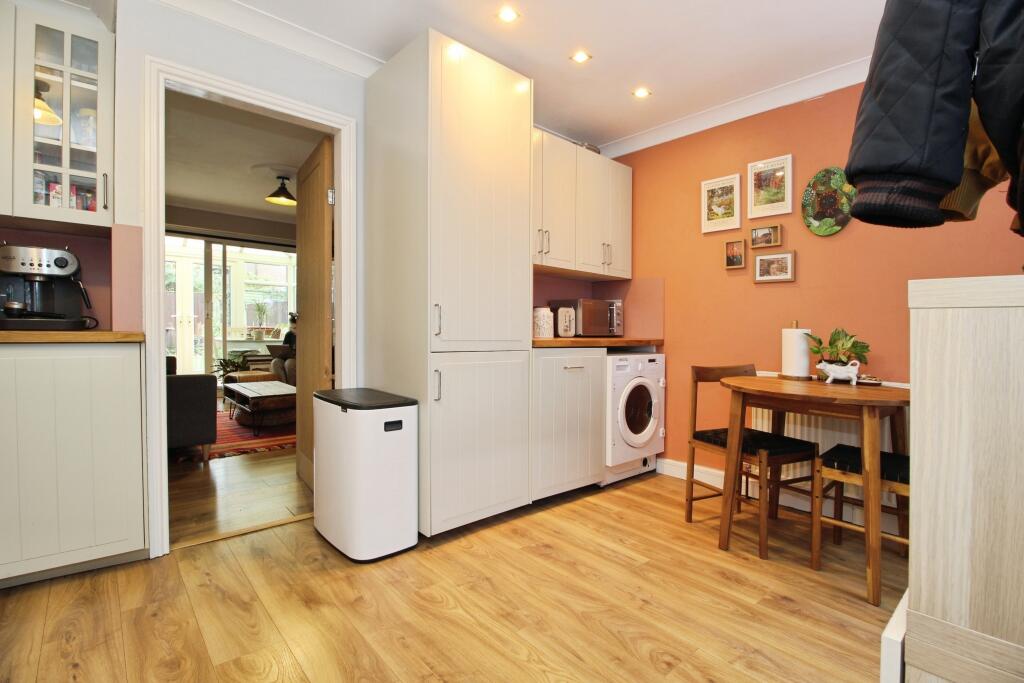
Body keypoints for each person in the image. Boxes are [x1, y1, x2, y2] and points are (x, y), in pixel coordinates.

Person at [271, 312, 297, 385]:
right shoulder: (289, 334)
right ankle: (283, 387)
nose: (293, 330)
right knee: (275, 362)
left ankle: (292, 389)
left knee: (289, 363)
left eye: (295, 328)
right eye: (291, 328)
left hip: (298, 360)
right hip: (288, 358)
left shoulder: (306, 335)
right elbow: (284, 349)